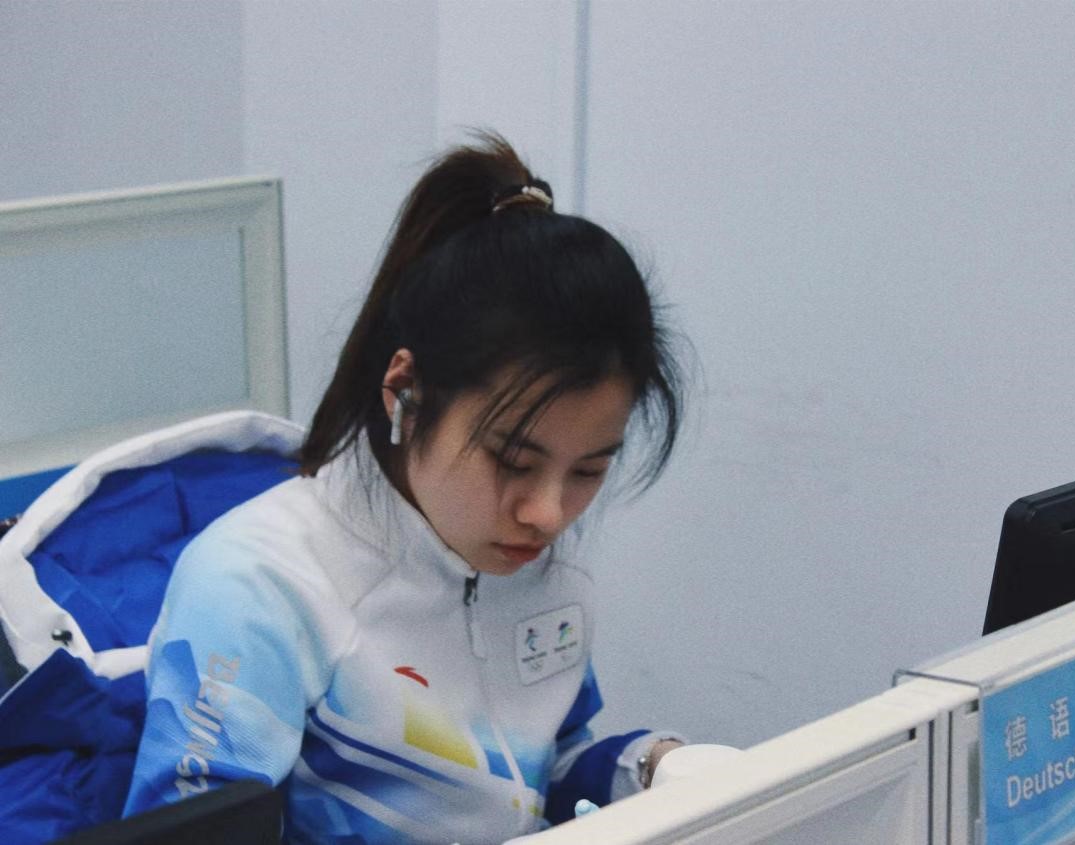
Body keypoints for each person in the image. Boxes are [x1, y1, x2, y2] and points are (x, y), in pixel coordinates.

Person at [123, 133, 687, 844]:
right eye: (513, 460)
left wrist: (657, 768)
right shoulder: (258, 587)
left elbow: (541, 773)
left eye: (588, 470)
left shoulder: (527, 562)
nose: (548, 515)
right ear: (405, 392)